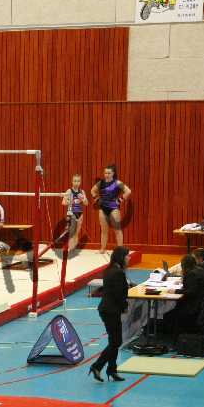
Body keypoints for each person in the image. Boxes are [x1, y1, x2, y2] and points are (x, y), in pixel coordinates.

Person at [90, 246, 130, 383]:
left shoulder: (109, 270)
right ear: (121, 257)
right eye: (127, 256)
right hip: (111, 311)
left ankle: (112, 370)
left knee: (114, 341)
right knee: (116, 342)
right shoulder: (118, 272)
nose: (129, 258)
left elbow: (112, 288)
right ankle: (97, 366)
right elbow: (119, 294)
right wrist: (125, 307)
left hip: (107, 309)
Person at [162, 254, 204, 336]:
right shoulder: (199, 270)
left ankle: (175, 333)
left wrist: (175, 291)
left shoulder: (192, 274)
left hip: (195, 305)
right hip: (203, 302)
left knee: (169, 312)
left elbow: (190, 292)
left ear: (183, 265)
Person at [91, 164, 131, 254]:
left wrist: (119, 201)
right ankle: (102, 249)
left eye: (109, 173)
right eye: (105, 173)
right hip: (102, 208)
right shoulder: (101, 183)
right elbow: (92, 191)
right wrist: (97, 200)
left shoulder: (117, 182)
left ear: (113, 173)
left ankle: (120, 250)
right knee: (104, 230)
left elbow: (128, 191)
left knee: (117, 230)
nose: (107, 175)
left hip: (114, 208)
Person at [61, 174, 88, 252]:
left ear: (80, 182)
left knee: (76, 232)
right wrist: (71, 201)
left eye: (78, 181)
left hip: (80, 214)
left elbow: (86, 203)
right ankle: (70, 248)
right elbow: (63, 202)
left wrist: (83, 199)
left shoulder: (82, 191)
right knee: (71, 232)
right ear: (72, 182)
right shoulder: (69, 191)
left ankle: (73, 248)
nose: (76, 183)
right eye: (75, 181)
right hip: (71, 213)